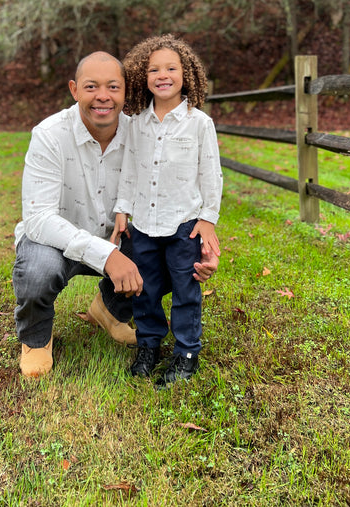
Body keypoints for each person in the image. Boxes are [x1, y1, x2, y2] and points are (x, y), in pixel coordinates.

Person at [12, 51, 218, 378]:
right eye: (91, 87)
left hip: (118, 236)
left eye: (113, 87)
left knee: (169, 258)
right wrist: (108, 256)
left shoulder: (143, 131)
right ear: (74, 89)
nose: (103, 96)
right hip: (53, 242)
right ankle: (36, 339)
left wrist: (200, 245)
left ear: (127, 90)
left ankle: (110, 310)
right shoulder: (50, 135)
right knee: (38, 270)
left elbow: (180, 193)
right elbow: (38, 220)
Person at [112, 35, 222, 386]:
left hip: (183, 225)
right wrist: (122, 210)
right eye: (153, 69)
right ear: (143, 77)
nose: (163, 75)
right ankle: (149, 345)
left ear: (185, 74)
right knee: (145, 290)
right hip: (144, 223)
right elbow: (129, 169)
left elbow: (211, 173)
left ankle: (186, 353)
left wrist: (207, 219)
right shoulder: (137, 124)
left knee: (186, 291)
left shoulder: (199, 123)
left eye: (171, 68)